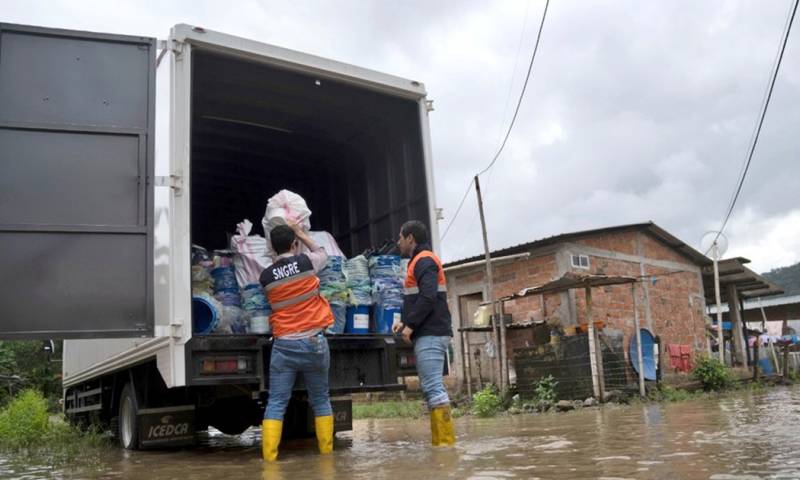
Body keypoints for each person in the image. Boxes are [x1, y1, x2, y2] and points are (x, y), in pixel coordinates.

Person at [259, 222, 334, 461]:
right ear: (294, 244)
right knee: (321, 399)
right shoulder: (307, 263)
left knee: (276, 403)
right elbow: (323, 253)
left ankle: (269, 462)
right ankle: (326, 457)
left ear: (271, 246)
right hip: (314, 342)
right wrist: (302, 234)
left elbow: (276, 275)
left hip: (284, 345)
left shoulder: (266, 277)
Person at [392, 220, 456, 446]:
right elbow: (418, 296)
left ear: (410, 238)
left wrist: (410, 326)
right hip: (429, 331)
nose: (398, 241)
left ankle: (446, 448)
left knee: (434, 388)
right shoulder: (418, 262)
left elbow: (428, 297)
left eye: (400, 237)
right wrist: (403, 322)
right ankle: (441, 447)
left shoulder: (424, 260)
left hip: (431, 332)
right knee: (431, 389)